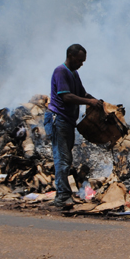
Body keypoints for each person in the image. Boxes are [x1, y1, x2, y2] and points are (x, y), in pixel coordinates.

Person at [44, 44, 99, 207]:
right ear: (70, 56)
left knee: (66, 157)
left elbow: (82, 93)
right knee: (62, 158)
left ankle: (65, 193)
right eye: (80, 60)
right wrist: (89, 102)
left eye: (83, 61)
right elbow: (67, 97)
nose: (81, 64)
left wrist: (97, 102)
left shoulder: (74, 74)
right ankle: (62, 196)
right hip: (58, 119)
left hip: (67, 121)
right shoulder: (60, 71)